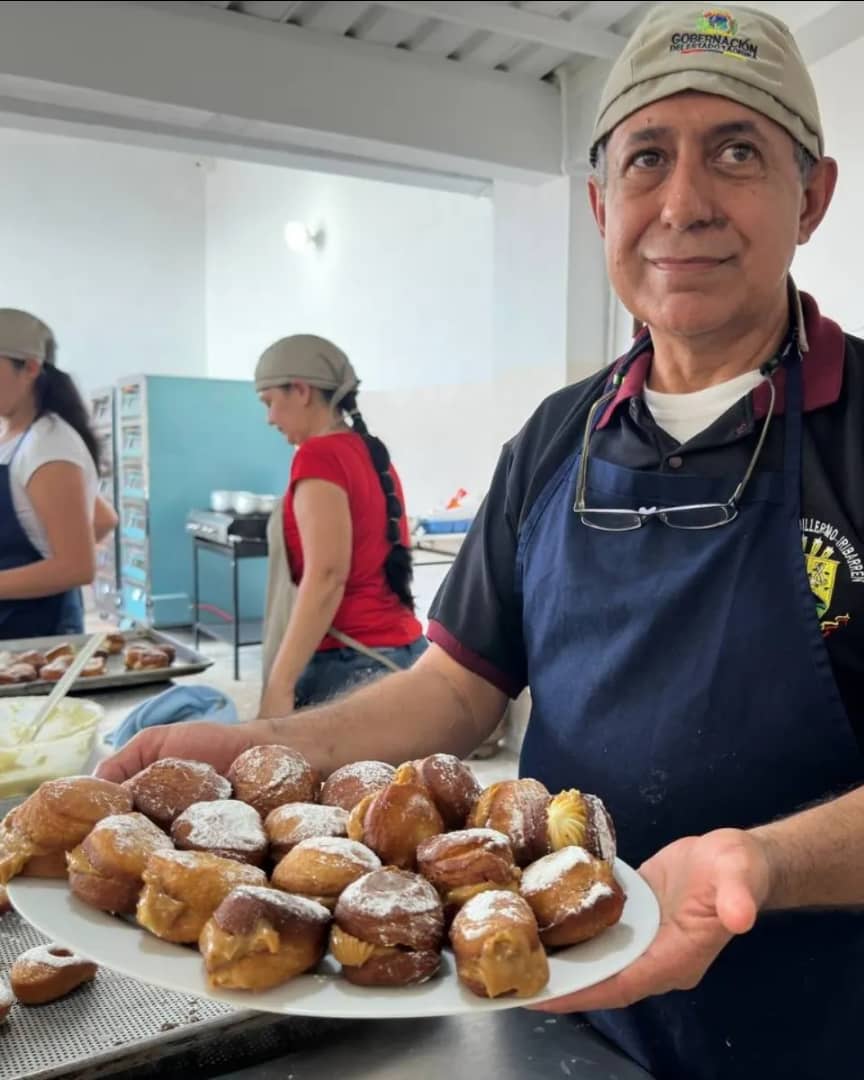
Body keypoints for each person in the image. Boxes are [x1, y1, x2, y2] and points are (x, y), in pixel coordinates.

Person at [98, 5, 864, 1078]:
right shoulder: (557, 438)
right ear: (603, 204)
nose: (683, 202)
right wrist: (275, 748)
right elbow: (459, 692)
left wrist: (766, 864)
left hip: (822, 1021)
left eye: (737, 152)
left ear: (812, 195)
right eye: (648, 157)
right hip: (551, 1005)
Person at [254, 334, 426, 715]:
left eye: (269, 402)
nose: (269, 419)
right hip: (402, 654)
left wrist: (279, 686)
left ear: (300, 390)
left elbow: (328, 575)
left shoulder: (318, 457)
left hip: (352, 665)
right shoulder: (368, 453)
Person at [0, 309, 117, 639]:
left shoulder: (48, 444)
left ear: (31, 368)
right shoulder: (13, 436)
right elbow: (102, 517)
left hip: (35, 632)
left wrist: (54, 563)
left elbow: (76, 567)